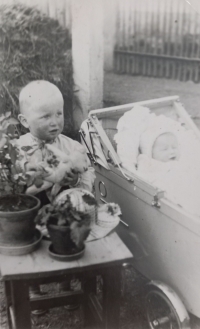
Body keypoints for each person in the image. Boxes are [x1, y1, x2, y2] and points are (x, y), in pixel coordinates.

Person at [16, 80, 96, 314]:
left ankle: (66, 284)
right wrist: (51, 177)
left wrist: (73, 179)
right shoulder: (20, 149)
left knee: (66, 240)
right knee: (31, 244)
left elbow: (84, 173)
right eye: (45, 116)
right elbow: (19, 185)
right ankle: (34, 288)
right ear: (24, 121)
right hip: (33, 208)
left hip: (63, 208)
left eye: (59, 114)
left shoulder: (70, 146)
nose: (54, 122)